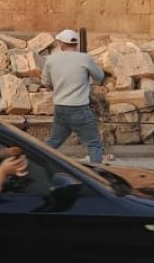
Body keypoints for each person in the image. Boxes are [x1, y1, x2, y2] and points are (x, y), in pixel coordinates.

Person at [41, 29, 110, 165]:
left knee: (54, 142)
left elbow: (46, 82)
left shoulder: (51, 60)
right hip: (80, 108)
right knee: (94, 144)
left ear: (61, 44)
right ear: (76, 43)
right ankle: (98, 176)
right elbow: (99, 76)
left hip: (61, 107)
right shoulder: (84, 58)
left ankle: (38, 162)